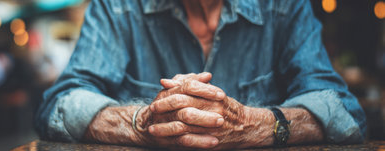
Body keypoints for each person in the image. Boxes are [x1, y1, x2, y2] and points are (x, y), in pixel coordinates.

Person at [35, 0, 366, 149]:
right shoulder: (117, 5)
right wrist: (142, 122)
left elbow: (344, 113)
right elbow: (60, 105)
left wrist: (256, 126)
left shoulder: (283, 5)